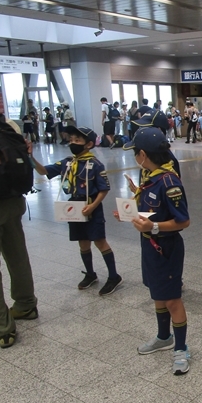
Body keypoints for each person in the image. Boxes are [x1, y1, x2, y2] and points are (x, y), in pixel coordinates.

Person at [120, 127, 191, 375]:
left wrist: (155, 226)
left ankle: (181, 348)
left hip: (166, 248)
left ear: (142, 153)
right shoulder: (149, 176)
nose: (135, 158)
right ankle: (164, 337)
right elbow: (150, 208)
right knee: (158, 294)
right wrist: (131, 211)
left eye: (135, 153)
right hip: (149, 244)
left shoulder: (169, 182)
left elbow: (183, 221)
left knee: (172, 299)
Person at [29, 125, 123, 296]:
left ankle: (114, 276)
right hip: (74, 207)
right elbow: (44, 171)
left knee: (99, 241)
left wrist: (93, 206)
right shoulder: (67, 162)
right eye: (71, 140)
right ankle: (90, 273)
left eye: (77, 140)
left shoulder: (95, 164)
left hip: (91, 207)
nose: (73, 143)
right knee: (82, 241)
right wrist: (31, 158)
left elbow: (104, 189)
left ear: (88, 144)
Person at [0, 104, 39, 349]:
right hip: (14, 202)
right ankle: (26, 305)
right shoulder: (7, 126)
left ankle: (3, 328)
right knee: (17, 255)